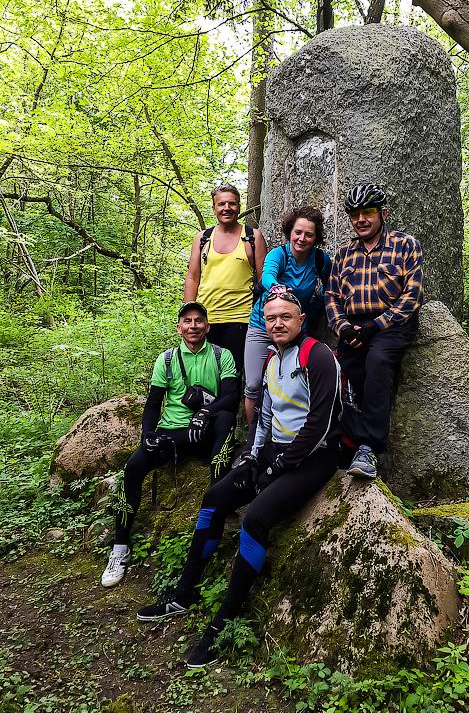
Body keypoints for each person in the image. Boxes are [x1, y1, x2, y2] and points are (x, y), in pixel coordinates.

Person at [136, 287, 341, 669]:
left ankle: (222, 622)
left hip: (314, 457)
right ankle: (185, 593)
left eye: (286, 316)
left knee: (253, 519)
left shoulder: (319, 356)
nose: (277, 322)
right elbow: (263, 415)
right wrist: (252, 454)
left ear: (301, 320)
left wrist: (279, 467)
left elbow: (320, 423)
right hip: (272, 449)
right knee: (214, 498)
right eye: (271, 316)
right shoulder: (269, 359)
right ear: (264, 321)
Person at [101, 302, 238, 589]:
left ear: (207, 326)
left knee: (225, 419)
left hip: (205, 433)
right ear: (179, 327)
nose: (193, 326)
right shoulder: (166, 360)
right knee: (133, 468)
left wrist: (205, 413)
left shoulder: (221, 355)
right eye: (187, 321)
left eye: (199, 320)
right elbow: (153, 403)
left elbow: (230, 397)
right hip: (172, 433)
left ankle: (219, 501)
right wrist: (146, 435)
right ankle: (120, 547)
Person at [326, 182, 423, 481]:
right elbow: (331, 296)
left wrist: (375, 327)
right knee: (341, 372)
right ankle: (346, 443)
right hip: (352, 326)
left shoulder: (405, 245)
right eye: (355, 214)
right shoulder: (343, 254)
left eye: (367, 212)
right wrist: (343, 328)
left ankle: (368, 448)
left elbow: (413, 295)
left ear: (383, 213)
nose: (361, 220)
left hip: (392, 324)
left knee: (377, 362)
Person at [244, 206, 331, 424]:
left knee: (297, 382)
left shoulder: (320, 260)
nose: (302, 238)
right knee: (254, 384)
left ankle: (293, 433)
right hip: (263, 325)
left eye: (309, 234)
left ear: (316, 237)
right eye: (298, 232)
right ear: (290, 232)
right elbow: (267, 276)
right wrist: (276, 288)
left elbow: (331, 285)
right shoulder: (279, 255)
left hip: (296, 329)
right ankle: (253, 441)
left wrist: (313, 306)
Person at [183, 183, 267, 374]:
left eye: (232, 203)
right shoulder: (203, 238)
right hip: (205, 320)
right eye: (221, 204)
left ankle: (229, 405)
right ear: (214, 208)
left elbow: (264, 281)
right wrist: (188, 318)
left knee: (232, 376)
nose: (226, 208)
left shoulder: (253, 237)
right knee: (202, 374)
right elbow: (192, 278)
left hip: (240, 320)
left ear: (239, 206)